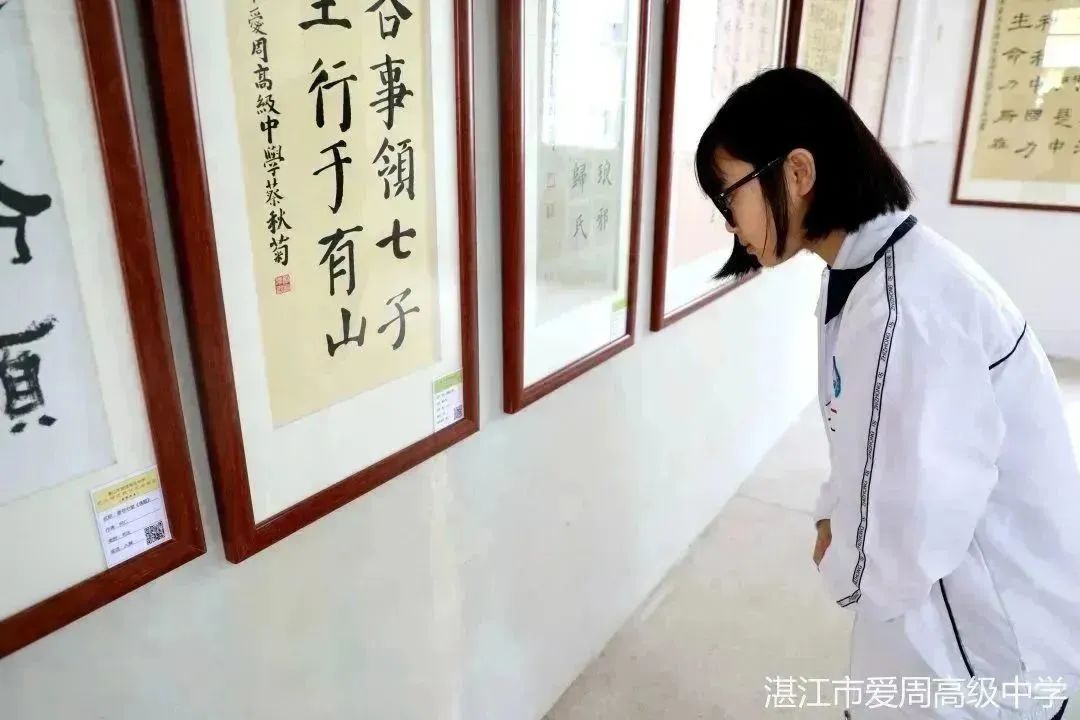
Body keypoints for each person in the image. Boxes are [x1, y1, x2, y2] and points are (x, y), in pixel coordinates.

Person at [695, 67, 1080, 719]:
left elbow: (910, 535)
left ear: (797, 172)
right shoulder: (864, 273)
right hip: (937, 613)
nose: (730, 223)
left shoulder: (910, 312)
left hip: (984, 633)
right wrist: (834, 512)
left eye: (729, 194)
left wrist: (845, 562)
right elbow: (861, 432)